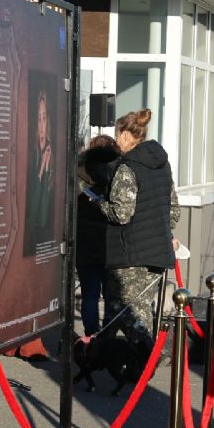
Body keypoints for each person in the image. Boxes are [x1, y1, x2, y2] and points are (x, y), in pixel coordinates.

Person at [99, 108, 179, 336]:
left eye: (117, 136)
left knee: (130, 315)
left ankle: (145, 364)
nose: (116, 141)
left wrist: (99, 205)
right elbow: (174, 210)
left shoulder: (127, 168)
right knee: (136, 310)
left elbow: (121, 214)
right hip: (157, 253)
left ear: (125, 134)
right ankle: (105, 356)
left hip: (129, 255)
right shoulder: (162, 165)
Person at [75, 134, 120, 336]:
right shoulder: (114, 193)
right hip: (109, 250)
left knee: (90, 295)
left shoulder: (81, 193)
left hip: (84, 250)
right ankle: (107, 336)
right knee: (110, 296)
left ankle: (91, 336)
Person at [24, 88, 56, 255]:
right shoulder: (31, 152)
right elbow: (31, 213)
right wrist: (42, 166)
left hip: (44, 239)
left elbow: (44, 214)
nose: (42, 124)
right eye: (38, 119)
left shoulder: (54, 153)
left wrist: (48, 165)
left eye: (44, 118)